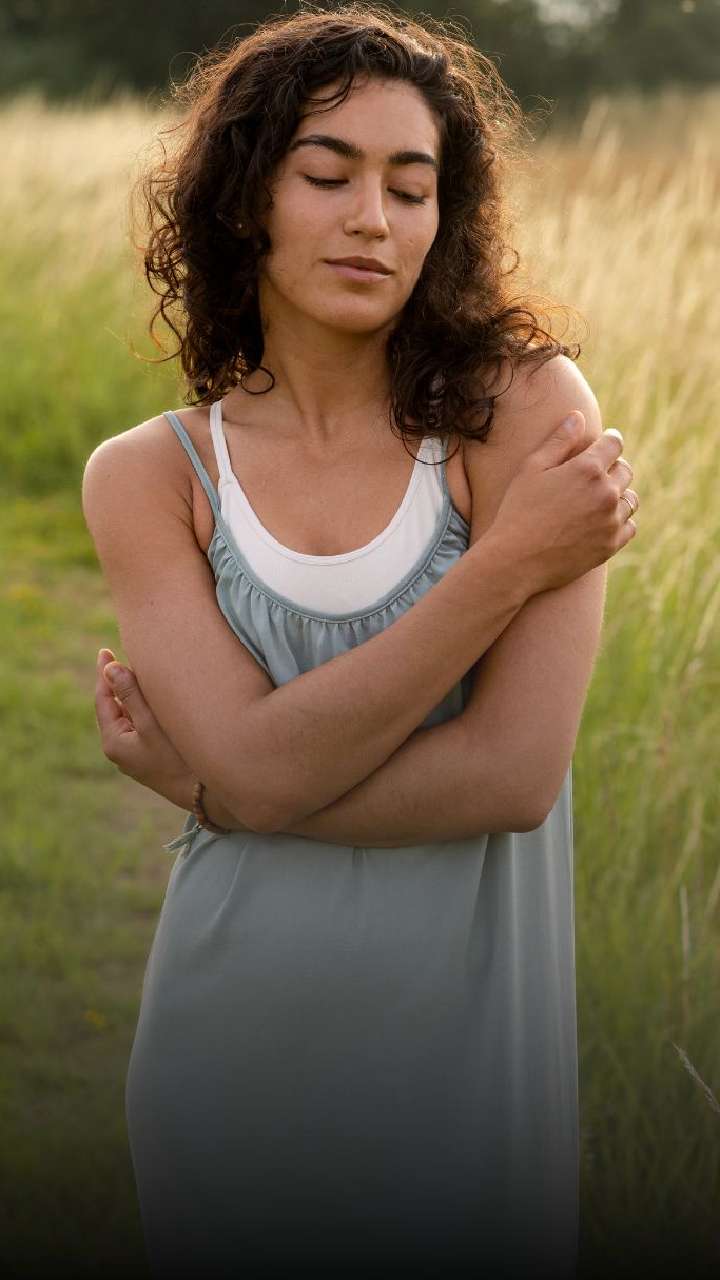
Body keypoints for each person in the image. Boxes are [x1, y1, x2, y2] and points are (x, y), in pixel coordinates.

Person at [82, 7, 639, 1277]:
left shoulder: (525, 412)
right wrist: (507, 564)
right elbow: (258, 771)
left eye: (411, 186)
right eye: (327, 175)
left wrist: (222, 785)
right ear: (246, 202)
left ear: (447, 214)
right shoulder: (150, 477)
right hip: (227, 1067)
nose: (372, 219)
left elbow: (512, 776)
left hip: (470, 1087)